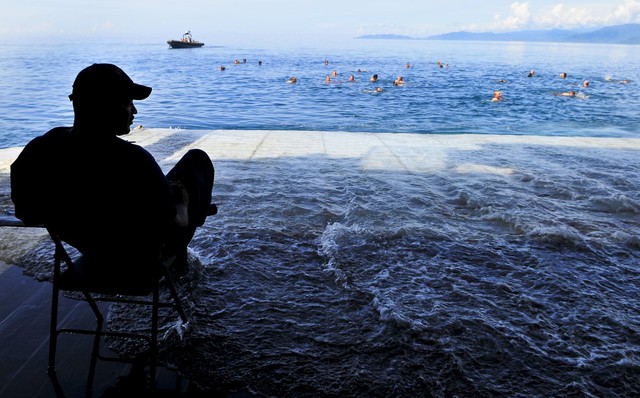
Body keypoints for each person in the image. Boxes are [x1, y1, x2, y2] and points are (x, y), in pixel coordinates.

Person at [10, 63, 216, 287]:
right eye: (128, 103)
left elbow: (27, 213)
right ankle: (185, 247)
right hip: (142, 262)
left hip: (95, 251)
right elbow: (176, 227)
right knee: (196, 161)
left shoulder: (40, 149)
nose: (134, 111)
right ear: (105, 106)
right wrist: (183, 204)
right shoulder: (135, 161)